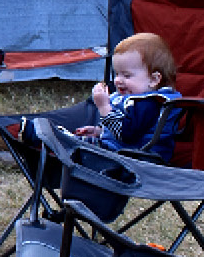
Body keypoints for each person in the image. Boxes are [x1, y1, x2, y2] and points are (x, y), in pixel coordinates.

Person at [73, 32, 181, 162]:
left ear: (154, 79)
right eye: (117, 74)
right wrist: (99, 131)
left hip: (134, 157)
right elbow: (123, 127)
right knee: (69, 140)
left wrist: (104, 107)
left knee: (70, 144)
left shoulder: (149, 104)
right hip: (119, 149)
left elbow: (126, 135)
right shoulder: (135, 98)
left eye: (127, 75)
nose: (118, 80)